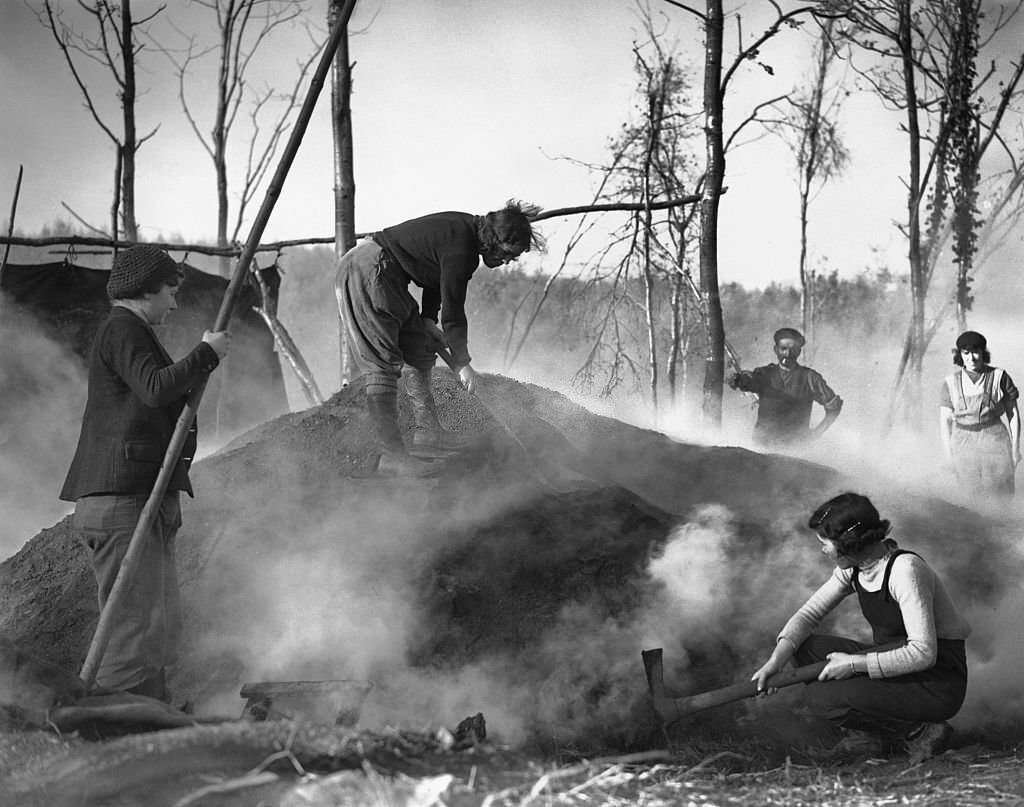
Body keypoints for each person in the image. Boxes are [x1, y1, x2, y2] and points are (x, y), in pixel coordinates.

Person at [60, 245, 230, 701]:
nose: (174, 303)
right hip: (121, 502)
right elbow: (156, 389)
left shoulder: (129, 329)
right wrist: (205, 355)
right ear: (145, 290)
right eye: (170, 291)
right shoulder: (122, 327)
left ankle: (148, 720)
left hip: (130, 499)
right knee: (132, 628)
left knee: (151, 623)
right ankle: (116, 735)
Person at [751, 493, 971, 762]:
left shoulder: (905, 572)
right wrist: (776, 662)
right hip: (899, 662)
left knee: (823, 699)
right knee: (806, 649)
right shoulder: (855, 568)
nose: (823, 550)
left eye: (826, 544)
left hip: (937, 680)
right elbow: (808, 615)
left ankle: (921, 731)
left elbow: (923, 653)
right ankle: (871, 737)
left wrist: (854, 664)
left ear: (849, 544)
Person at [335, 199, 543, 476]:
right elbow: (454, 310)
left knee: (421, 347)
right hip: (367, 269)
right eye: (509, 253)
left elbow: (437, 281)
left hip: (387, 273)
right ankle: (392, 458)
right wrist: (461, 363)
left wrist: (428, 319)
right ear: (496, 239)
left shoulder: (464, 233)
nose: (508, 261)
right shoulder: (462, 249)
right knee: (382, 364)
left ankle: (429, 434)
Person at [728, 327, 843, 448]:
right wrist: (738, 380)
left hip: (795, 450)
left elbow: (834, 407)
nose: (787, 354)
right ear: (775, 350)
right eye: (783, 349)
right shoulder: (764, 374)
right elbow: (750, 380)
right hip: (762, 448)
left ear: (799, 351)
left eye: (793, 350)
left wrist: (816, 434)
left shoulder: (810, 378)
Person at [939, 330, 1020, 500]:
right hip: (963, 440)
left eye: (976, 352)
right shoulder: (951, 382)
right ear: (960, 355)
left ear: (983, 352)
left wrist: (1015, 449)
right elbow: (945, 420)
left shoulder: (1000, 377)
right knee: (970, 493)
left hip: (994, 437)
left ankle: (1001, 524)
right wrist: (948, 456)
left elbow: (1013, 415)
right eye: (966, 353)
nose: (972, 358)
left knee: (999, 490)